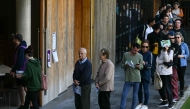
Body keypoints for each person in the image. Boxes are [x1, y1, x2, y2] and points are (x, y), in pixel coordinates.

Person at [120, 43, 143, 109]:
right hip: (128, 78)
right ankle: (122, 107)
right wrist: (126, 65)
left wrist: (138, 66)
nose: (136, 52)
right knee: (124, 95)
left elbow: (141, 67)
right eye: (135, 50)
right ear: (132, 48)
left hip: (137, 78)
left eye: (137, 51)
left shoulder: (140, 56)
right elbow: (122, 65)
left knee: (135, 96)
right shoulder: (126, 55)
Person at [10, 33, 27, 109]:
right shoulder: (19, 48)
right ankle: (23, 104)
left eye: (13, 39)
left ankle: (30, 104)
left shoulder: (21, 48)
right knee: (21, 87)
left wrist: (13, 70)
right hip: (20, 70)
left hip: (22, 71)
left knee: (25, 87)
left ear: (17, 40)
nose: (13, 40)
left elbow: (19, 62)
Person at [156, 43, 174, 109]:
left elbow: (167, 60)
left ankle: (170, 102)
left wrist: (166, 51)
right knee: (160, 88)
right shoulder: (160, 50)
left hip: (167, 72)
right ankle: (164, 100)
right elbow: (157, 60)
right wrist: (163, 62)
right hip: (160, 72)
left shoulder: (171, 51)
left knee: (168, 88)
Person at [136, 40, 152, 109]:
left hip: (146, 74)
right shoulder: (139, 53)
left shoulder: (149, 54)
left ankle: (146, 104)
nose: (144, 48)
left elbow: (150, 65)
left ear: (148, 47)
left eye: (146, 47)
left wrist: (144, 63)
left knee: (145, 90)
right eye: (143, 46)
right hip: (139, 74)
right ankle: (140, 103)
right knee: (139, 90)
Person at [175, 32, 189, 97]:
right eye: (176, 37)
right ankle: (175, 90)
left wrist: (182, 56)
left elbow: (188, 54)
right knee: (174, 77)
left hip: (182, 63)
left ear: (181, 38)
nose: (177, 38)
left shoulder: (184, 45)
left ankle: (181, 90)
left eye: (178, 37)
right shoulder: (174, 45)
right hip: (175, 63)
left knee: (181, 77)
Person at [167, 31, 179, 102]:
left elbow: (174, 55)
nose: (171, 39)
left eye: (172, 38)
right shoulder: (166, 46)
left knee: (174, 81)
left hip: (173, 65)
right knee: (167, 82)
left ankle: (175, 96)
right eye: (169, 38)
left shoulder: (176, 46)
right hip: (166, 66)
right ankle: (167, 96)